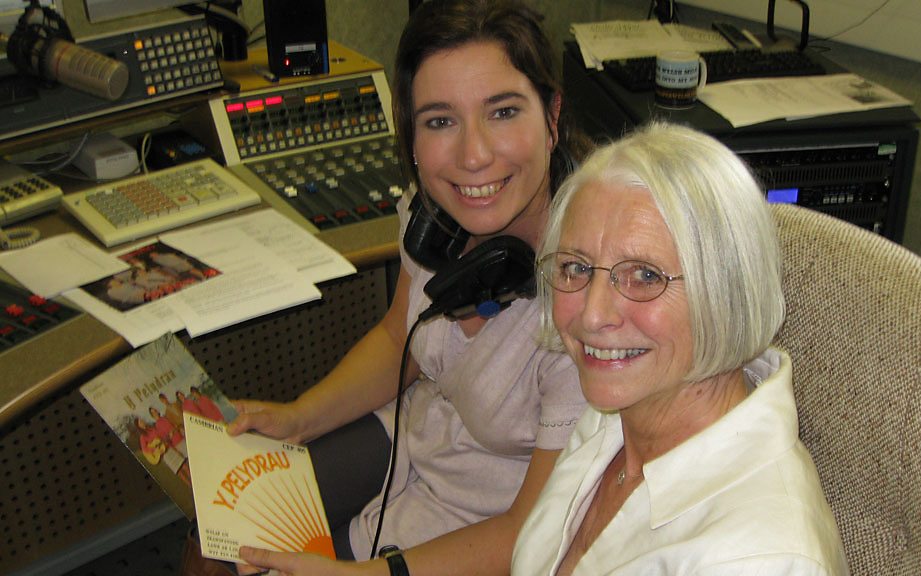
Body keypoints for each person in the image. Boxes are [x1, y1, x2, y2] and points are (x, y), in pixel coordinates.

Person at [227, 1, 592, 574]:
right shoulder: (434, 220)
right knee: (227, 527)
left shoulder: (592, 297)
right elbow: (399, 338)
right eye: (440, 121)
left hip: (492, 519)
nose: (474, 155)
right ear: (412, 139)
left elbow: (534, 530)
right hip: (420, 436)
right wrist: (298, 418)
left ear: (552, 117)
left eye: (502, 112)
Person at [512, 122, 849, 575]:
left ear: (725, 293)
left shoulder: (756, 559)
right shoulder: (623, 411)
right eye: (576, 267)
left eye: (645, 275)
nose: (592, 316)